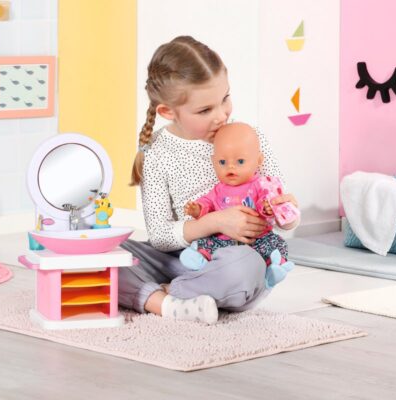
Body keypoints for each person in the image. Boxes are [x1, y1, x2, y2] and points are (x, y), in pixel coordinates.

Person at [121, 36, 299, 325]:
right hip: (178, 259)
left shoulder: (249, 137)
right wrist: (215, 222)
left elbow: (278, 208)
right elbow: (161, 238)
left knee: (244, 267)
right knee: (106, 255)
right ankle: (167, 305)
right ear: (167, 111)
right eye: (205, 110)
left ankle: (167, 295)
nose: (221, 116)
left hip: (234, 260)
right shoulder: (157, 154)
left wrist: (288, 215)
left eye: (225, 98)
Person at [179, 122, 297, 288]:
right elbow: (207, 203)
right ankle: (199, 259)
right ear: (213, 161)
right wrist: (197, 209)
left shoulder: (260, 184)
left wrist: (267, 208)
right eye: (222, 162)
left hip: (257, 238)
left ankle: (276, 267)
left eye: (240, 161)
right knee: (206, 242)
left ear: (258, 161)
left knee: (276, 243)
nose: (231, 167)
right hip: (223, 239)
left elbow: (267, 202)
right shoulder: (219, 189)